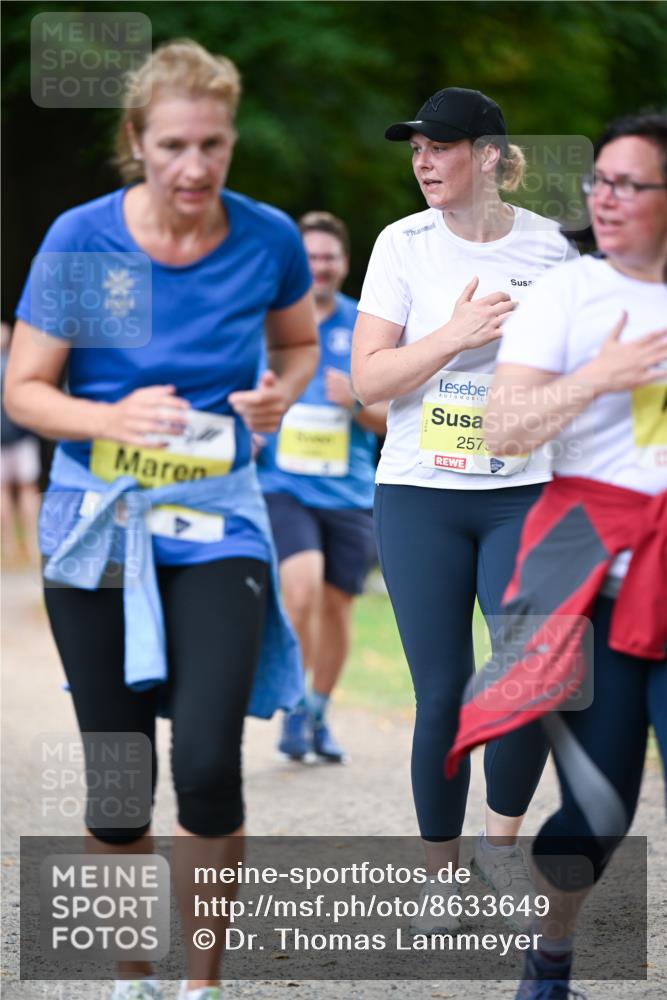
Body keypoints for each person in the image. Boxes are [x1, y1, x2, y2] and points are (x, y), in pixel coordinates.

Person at [4, 40, 318, 1000]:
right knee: (118, 783)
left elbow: (298, 343)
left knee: (211, 759)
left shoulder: (265, 238)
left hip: (216, 517)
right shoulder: (82, 239)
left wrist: (277, 398)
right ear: (135, 141)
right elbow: (25, 390)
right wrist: (109, 418)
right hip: (98, 521)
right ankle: (132, 978)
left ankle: (202, 986)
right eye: (174, 144)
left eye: (213, 145)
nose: (195, 167)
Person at [448, 111, 667, 999]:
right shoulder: (567, 296)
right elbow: (502, 429)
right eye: (599, 182)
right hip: (595, 576)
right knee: (599, 808)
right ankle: (551, 951)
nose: (605, 199)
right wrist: (599, 379)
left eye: (630, 184)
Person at [351, 87, 579, 930]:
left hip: (524, 489)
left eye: (439, 147)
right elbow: (368, 381)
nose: (421, 162)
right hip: (420, 492)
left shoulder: (553, 247)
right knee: (442, 689)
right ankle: (439, 879)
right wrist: (453, 336)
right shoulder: (400, 244)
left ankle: (500, 848)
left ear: (486, 155)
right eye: (413, 149)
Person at [257, 212, 387, 763]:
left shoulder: (366, 326)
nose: (319, 266)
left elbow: (391, 420)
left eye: (328, 257)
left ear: (344, 264)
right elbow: (238, 393)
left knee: (336, 608)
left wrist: (356, 399)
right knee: (301, 590)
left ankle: (315, 709)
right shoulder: (270, 324)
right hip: (284, 486)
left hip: (350, 493)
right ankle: (291, 707)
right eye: (309, 257)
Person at [1, 321, 41, 564]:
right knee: (28, 489)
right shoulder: (17, 369)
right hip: (22, 437)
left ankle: (8, 546)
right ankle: (31, 542)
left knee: (3, 492)